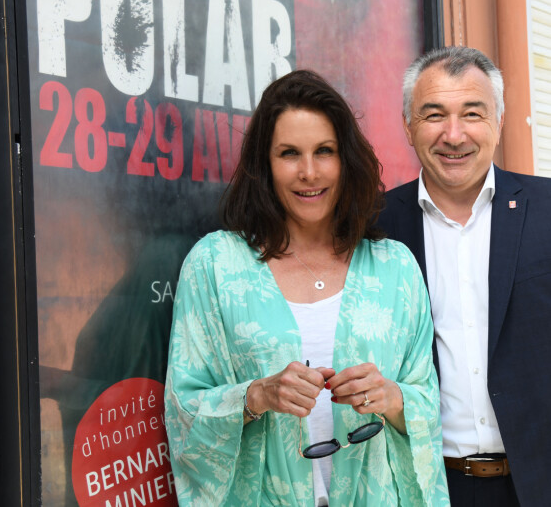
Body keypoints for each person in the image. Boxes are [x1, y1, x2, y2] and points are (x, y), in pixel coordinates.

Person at [164, 69, 449, 506]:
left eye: (325, 151)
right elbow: (183, 411)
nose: (309, 172)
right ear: (264, 164)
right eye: (289, 153)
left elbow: (428, 409)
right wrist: (255, 395)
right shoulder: (216, 266)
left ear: (345, 159)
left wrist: (392, 398)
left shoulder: (396, 269)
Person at [377, 46, 551, 507]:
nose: (453, 135)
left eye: (472, 113)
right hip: (427, 485)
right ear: (408, 125)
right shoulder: (372, 227)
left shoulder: (547, 209)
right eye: (434, 115)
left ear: (498, 119)